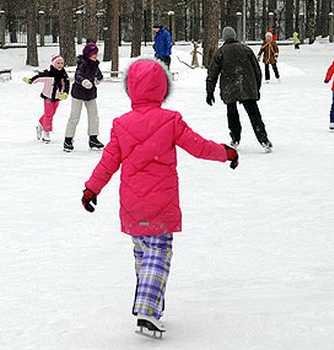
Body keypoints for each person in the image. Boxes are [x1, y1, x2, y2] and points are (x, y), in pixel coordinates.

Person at [81, 59, 239, 336]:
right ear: (163, 89)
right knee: (159, 255)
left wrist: (91, 189)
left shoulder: (121, 124)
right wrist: (225, 152)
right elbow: (198, 147)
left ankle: (152, 307)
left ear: (131, 90)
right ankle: (147, 311)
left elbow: (107, 162)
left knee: (143, 255)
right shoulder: (170, 120)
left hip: (132, 204)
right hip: (160, 203)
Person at [206, 26, 273, 152]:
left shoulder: (221, 52)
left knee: (232, 113)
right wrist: (256, 88)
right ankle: (264, 140)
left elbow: (212, 73)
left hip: (229, 88)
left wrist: (209, 92)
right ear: (235, 36)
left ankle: (235, 138)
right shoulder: (246, 49)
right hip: (247, 85)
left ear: (224, 37)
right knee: (254, 114)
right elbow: (257, 71)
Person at [63, 42, 104, 152]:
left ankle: (93, 138)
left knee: (94, 116)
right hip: (78, 93)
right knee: (74, 117)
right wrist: (84, 81)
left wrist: (99, 79)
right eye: (93, 53)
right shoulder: (83, 63)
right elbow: (78, 75)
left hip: (90, 94)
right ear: (88, 54)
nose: (95, 55)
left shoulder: (95, 64)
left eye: (96, 53)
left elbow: (99, 75)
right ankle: (68, 139)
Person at [23, 54, 69, 143]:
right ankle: (46, 132)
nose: (60, 65)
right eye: (58, 63)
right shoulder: (49, 74)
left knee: (52, 113)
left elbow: (66, 84)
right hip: (48, 96)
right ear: (53, 64)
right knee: (48, 115)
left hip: (57, 97)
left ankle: (40, 124)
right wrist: (31, 81)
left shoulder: (63, 74)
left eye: (61, 63)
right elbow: (39, 77)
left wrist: (65, 93)